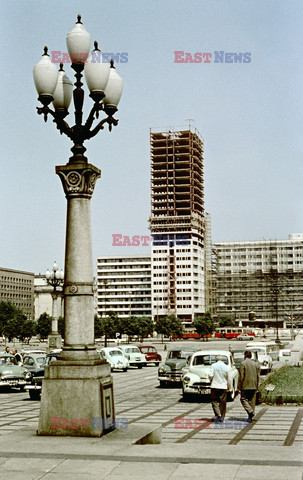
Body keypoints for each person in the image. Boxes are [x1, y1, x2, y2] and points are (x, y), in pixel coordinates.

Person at [238, 350, 260, 422]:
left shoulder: (243, 363)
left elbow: (241, 376)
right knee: (252, 401)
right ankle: (250, 417)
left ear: (245, 356)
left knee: (243, 399)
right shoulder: (256, 364)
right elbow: (258, 376)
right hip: (253, 384)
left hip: (245, 385)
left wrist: (239, 387)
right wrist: (257, 386)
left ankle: (250, 411)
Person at [208, 355, 231, 423]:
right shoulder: (226, 367)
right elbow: (229, 378)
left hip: (215, 385)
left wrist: (211, 380)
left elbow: (210, 375)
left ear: (216, 360)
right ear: (222, 360)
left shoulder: (213, 365)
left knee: (214, 401)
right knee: (223, 402)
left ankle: (218, 414)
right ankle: (222, 416)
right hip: (223, 386)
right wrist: (229, 387)